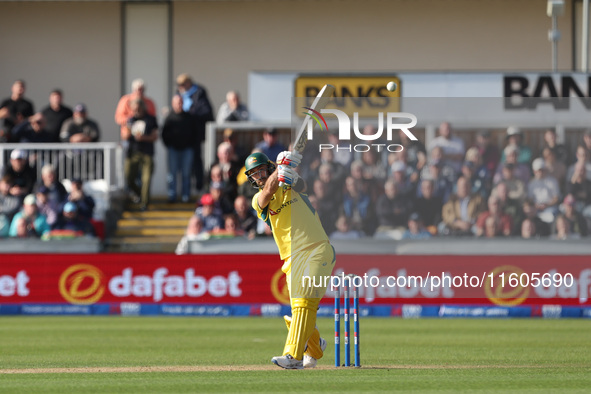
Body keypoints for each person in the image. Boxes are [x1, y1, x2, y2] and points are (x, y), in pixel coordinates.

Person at [244, 150, 334, 369]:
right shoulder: (258, 200)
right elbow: (268, 191)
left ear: (268, 167)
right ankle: (313, 345)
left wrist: (287, 171)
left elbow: (302, 186)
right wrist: (279, 168)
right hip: (292, 258)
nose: (259, 176)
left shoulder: (289, 184)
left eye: (261, 170)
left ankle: (293, 356)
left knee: (304, 301)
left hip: (317, 249)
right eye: (254, 174)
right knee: (299, 311)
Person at [176, 73, 214, 192]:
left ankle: (199, 184)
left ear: (188, 83)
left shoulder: (199, 92)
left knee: (196, 159)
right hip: (182, 134)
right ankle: (184, 189)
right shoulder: (178, 94)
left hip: (195, 133)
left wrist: (191, 113)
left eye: (182, 84)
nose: (181, 87)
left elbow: (206, 111)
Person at [121, 99, 158, 211]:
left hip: (146, 152)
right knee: (128, 177)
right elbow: (124, 136)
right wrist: (127, 131)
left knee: (146, 179)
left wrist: (144, 138)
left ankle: (144, 203)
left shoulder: (150, 119)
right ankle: (140, 195)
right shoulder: (130, 120)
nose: (136, 111)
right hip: (132, 152)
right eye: (134, 109)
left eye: (138, 109)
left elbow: (155, 136)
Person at [161, 95, 198, 203]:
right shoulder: (169, 118)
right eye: (177, 102)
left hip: (187, 149)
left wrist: (191, 144)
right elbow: (164, 134)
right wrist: (169, 144)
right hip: (173, 149)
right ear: (173, 104)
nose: (179, 104)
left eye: (181, 102)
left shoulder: (189, 117)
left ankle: (185, 196)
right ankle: (172, 196)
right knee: (172, 174)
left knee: (186, 174)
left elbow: (195, 133)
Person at [527, 158, 560, 222]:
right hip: (536, 208)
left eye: (542, 170)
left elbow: (556, 198)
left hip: (550, 207)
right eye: (538, 171)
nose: (540, 172)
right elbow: (530, 199)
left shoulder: (553, 181)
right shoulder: (531, 183)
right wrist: (536, 206)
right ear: (534, 171)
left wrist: (547, 205)